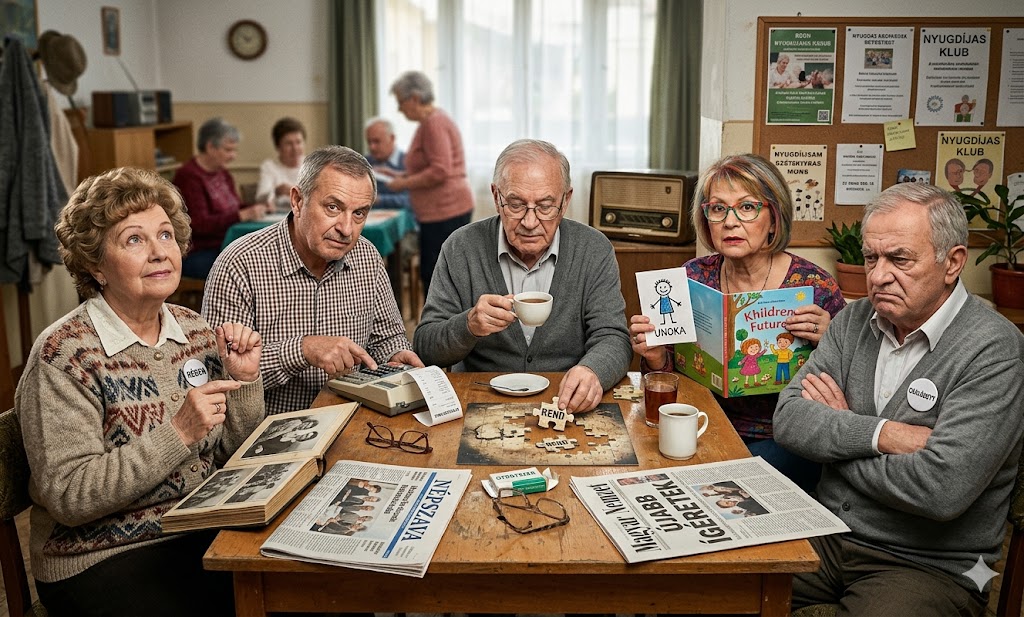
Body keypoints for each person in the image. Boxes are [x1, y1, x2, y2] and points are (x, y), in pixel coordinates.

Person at [18, 167, 265, 617]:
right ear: (95, 264)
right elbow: (70, 496)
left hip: (196, 530)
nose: (159, 253)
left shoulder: (194, 329)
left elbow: (234, 456)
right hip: (97, 558)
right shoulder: (64, 354)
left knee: (306, 578)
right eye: (134, 239)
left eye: (166, 235)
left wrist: (245, 382)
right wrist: (178, 432)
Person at [775, 182, 1024, 616]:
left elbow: (941, 490)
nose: (877, 275)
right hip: (826, 533)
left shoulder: (994, 349)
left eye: (899, 259)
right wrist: (883, 434)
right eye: (872, 257)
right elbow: (791, 420)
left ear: (953, 263)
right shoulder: (853, 320)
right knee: (706, 587)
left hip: (928, 565)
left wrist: (838, 440)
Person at [629, 154, 846, 492]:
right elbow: (665, 384)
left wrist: (831, 339)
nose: (730, 222)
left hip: (781, 438)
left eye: (746, 207)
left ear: (773, 219)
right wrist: (656, 358)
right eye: (718, 209)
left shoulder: (815, 286)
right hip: (701, 424)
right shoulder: (691, 277)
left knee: (726, 487)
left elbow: (852, 387)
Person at [414, 139, 632, 413]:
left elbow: (613, 336)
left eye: (545, 206)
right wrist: (468, 325)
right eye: (516, 205)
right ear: (496, 197)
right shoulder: (461, 247)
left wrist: (593, 370)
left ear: (565, 201)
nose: (530, 223)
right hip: (480, 403)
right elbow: (425, 346)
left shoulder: (593, 249)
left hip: (565, 402)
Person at [203, 145, 423, 414]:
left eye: (359, 213)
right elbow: (218, 377)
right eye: (333, 207)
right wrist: (302, 350)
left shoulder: (367, 256)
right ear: (297, 201)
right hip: (269, 430)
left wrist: (395, 355)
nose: (346, 229)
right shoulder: (239, 264)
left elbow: (386, 338)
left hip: (354, 418)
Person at [384, 71, 474, 297]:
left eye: (400, 102)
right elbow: (430, 166)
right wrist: (400, 174)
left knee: (436, 277)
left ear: (414, 98)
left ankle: (440, 329)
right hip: (440, 211)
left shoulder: (434, 123)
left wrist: (404, 183)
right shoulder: (431, 122)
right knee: (437, 276)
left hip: (445, 210)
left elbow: (441, 170)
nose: (399, 109)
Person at [173, 117, 267, 278]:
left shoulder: (223, 173)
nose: (233, 156)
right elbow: (198, 225)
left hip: (225, 245)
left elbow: (234, 206)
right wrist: (240, 215)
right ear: (210, 147)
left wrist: (253, 207)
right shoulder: (189, 177)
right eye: (228, 150)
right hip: (200, 252)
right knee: (257, 265)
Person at [256, 117, 306, 212]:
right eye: (289, 144)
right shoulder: (269, 167)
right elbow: (261, 198)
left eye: (298, 142)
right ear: (278, 147)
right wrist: (276, 191)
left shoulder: (312, 165)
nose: (295, 148)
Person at [364, 117, 411, 211]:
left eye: (377, 141)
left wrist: (379, 200)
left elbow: (411, 201)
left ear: (392, 138)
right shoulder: (364, 162)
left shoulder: (409, 163)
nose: (372, 147)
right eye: (369, 142)